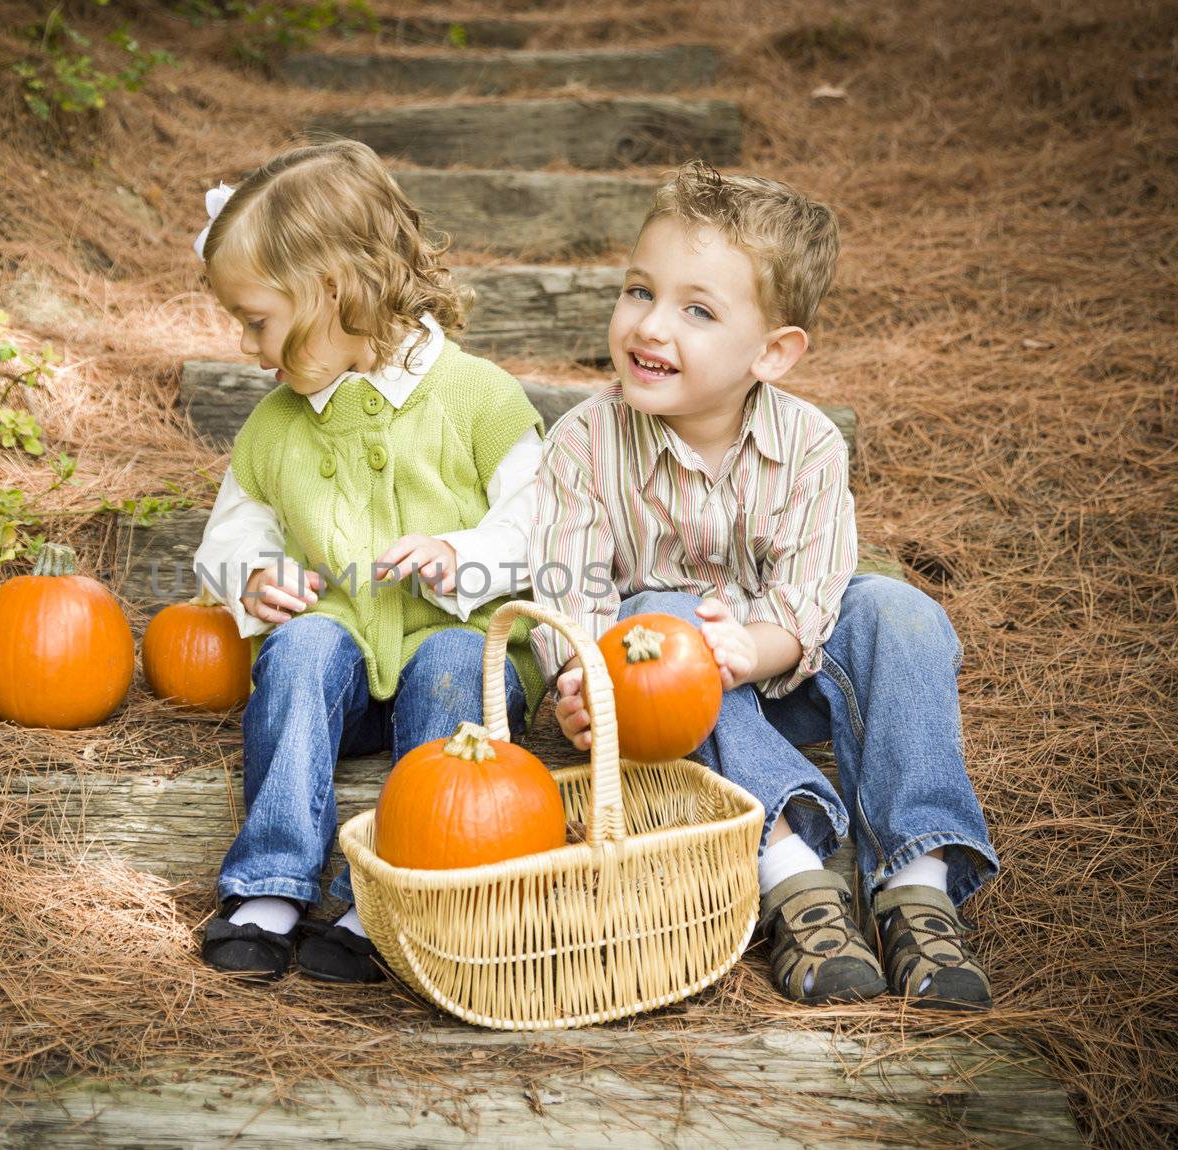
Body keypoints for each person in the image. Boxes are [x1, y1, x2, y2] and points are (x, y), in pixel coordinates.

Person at [530, 161, 998, 1010]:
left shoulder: (812, 445)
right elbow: (570, 595)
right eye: (640, 291)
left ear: (773, 353)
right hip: (669, 706)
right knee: (656, 616)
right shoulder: (583, 445)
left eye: (697, 310)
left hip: (789, 669)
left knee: (900, 610)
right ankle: (794, 876)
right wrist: (583, 683)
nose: (650, 326)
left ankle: (916, 884)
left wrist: (755, 648)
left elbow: (812, 597)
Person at [190, 139, 546, 983]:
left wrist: (466, 553)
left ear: (332, 290)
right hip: (345, 676)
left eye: (256, 321)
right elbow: (228, 533)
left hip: (463, 665)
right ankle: (271, 886)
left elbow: (546, 517)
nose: (248, 347)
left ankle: (383, 893)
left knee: (454, 661)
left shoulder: (477, 397)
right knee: (303, 647)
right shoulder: (276, 427)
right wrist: (252, 576)